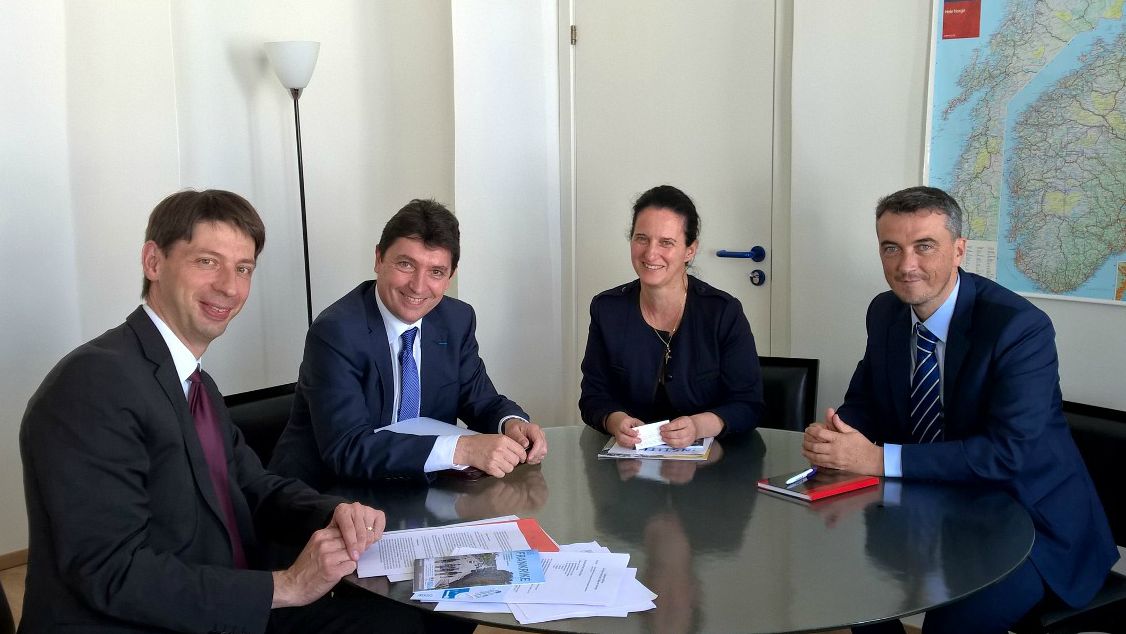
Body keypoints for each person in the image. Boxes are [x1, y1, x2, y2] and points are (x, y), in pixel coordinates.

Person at [19, 190, 424, 632]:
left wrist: (337, 513)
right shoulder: (92, 384)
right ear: (153, 262)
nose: (230, 287)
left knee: (418, 613)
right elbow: (111, 573)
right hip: (148, 621)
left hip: (219, 602)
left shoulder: (195, 382)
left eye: (243, 268)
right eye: (207, 261)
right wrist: (286, 586)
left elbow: (253, 488)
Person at [801, 185, 1117, 633]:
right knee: (854, 588)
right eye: (891, 248)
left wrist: (874, 458)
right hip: (934, 504)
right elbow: (867, 401)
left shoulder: (1018, 328)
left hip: (1028, 522)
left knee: (950, 625)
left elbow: (1008, 454)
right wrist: (838, 435)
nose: (906, 265)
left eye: (924, 246)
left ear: (959, 250)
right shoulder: (885, 312)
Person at [271, 199, 546, 489]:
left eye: (436, 272)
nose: (418, 286)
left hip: (415, 491)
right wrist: (461, 449)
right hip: (324, 494)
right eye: (406, 264)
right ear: (379, 259)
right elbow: (347, 447)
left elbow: (481, 401)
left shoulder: (456, 320)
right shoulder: (336, 332)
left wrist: (512, 424)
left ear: (450, 277)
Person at [579, 184, 765, 448]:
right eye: (641, 238)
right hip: (630, 462)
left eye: (666, 242)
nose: (650, 253)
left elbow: (748, 404)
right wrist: (615, 420)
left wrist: (699, 425)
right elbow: (593, 397)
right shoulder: (607, 309)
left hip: (715, 462)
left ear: (690, 250)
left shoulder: (723, 312)